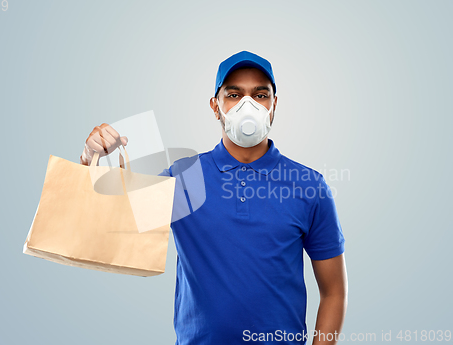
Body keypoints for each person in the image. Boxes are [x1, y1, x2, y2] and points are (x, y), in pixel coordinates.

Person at [79, 51, 348, 345]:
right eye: (234, 94)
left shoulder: (308, 185)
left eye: (260, 95)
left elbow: (334, 292)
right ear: (215, 105)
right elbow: (104, 226)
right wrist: (92, 158)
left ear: (274, 105)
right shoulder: (182, 178)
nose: (248, 105)